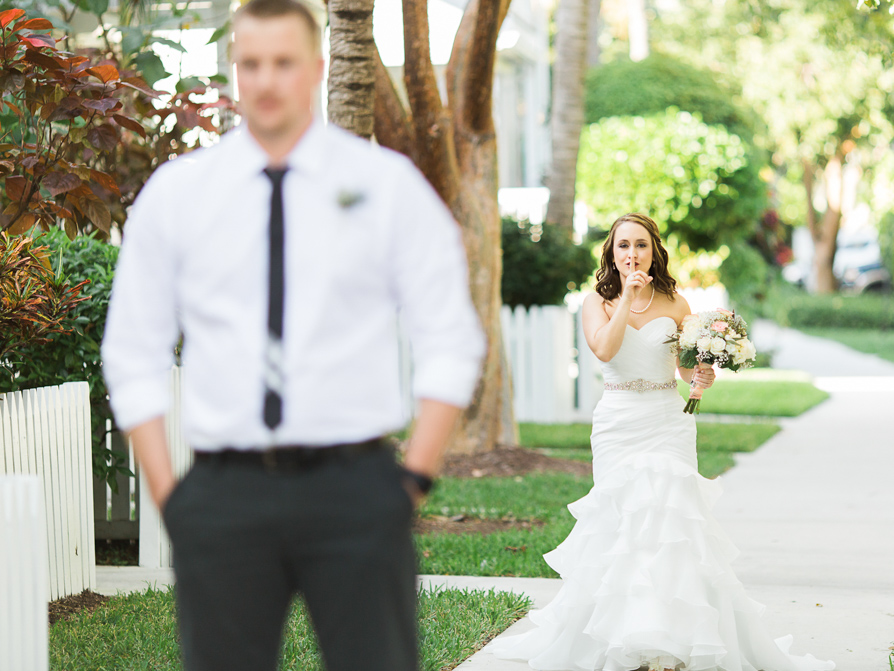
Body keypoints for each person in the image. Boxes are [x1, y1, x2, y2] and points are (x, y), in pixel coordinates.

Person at [100, 1, 485, 669]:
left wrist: (413, 479)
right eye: (251, 64)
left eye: (283, 63)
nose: (267, 80)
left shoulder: (383, 186)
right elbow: (132, 349)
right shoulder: (180, 195)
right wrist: (173, 496)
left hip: (355, 486)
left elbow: (450, 336)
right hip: (225, 493)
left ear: (316, 68)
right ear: (234, 70)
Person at [488, 213, 834, 671]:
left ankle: (670, 644)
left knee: (671, 527)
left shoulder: (676, 303)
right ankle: (620, 638)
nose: (632, 253)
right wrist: (627, 297)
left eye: (641, 245)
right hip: (617, 423)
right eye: (624, 245)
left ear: (655, 252)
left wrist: (701, 376)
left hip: (668, 421)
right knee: (622, 528)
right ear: (612, 253)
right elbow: (605, 350)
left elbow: (685, 370)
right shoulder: (597, 302)